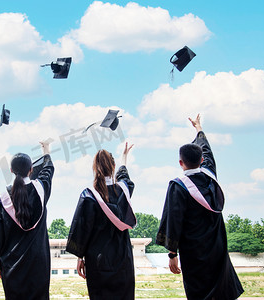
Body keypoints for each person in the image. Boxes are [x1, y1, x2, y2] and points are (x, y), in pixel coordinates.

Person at [156, 114, 244, 299]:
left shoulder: (178, 186)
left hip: (194, 251)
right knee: (220, 289)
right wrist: (199, 129)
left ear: (181, 163)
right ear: (202, 160)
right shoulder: (210, 176)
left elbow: (174, 220)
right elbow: (207, 150)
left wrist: (172, 253)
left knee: (199, 291)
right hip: (217, 246)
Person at [0, 141, 54, 300]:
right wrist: (45, 148)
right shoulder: (41, 189)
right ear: (31, 170)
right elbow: (48, 169)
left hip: (12, 264)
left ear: (11, 170)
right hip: (39, 264)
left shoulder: (2, 198)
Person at [66, 142, 136, 300]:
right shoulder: (124, 191)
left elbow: (81, 229)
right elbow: (124, 176)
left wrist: (80, 257)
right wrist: (124, 156)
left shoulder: (89, 196)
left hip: (97, 261)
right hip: (123, 259)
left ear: (95, 167)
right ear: (113, 166)